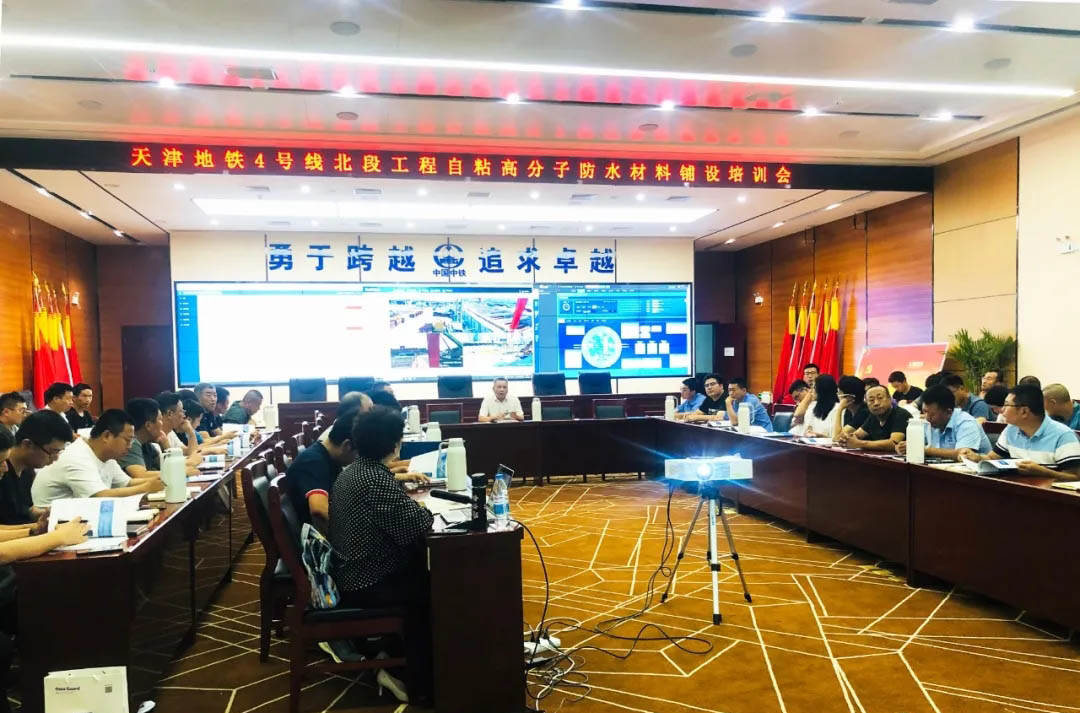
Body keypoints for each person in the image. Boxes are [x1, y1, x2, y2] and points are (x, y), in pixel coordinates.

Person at [330, 406, 434, 704]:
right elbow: (417, 525)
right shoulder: (374, 479)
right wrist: (422, 509)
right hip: (367, 582)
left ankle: (405, 661)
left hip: (353, 571)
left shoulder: (356, 471)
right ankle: (422, 683)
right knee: (438, 589)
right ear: (394, 443)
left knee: (427, 574)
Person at [32, 409, 164, 506]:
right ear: (107, 436)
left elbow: (127, 483)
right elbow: (99, 497)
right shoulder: (77, 457)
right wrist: (146, 488)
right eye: (127, 440)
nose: (130, 446)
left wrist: (161, 480)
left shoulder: (107, 455)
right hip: (49, 522)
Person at [960, 384, 1080, 481]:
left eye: (1006, 405)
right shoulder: (1011, 429)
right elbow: (992, 457)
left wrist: (1043, 472)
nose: (1002, 410)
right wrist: (976, 457)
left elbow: (1075, 477)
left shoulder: (1063, 436)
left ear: (1024, 411)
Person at [287, 404, 368, 533]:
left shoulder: (329, 457)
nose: (357, 459)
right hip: (316, 539)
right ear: (347, 446)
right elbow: (319, 510)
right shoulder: (313, 462)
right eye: (358, 454)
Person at [0, 411, 71, 525]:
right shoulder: (2, 471)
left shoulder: (27, 470)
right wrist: (34, 529)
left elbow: (25, 510)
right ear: (27, 444)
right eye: (52, 452)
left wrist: (51, 514)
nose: (55, 458)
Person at [896, 385, 991, 461]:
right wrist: (905, 446)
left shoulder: (966, 423)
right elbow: (918, 445)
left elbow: (963, 455)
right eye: (924, 412)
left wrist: (924, 449)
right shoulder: (928, 422)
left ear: (948, 412)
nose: (927, 418)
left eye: (932, 414)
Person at [836, 384, 911, 452]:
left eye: (880, 398)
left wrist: (859, 443)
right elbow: (856, 435)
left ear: (889, 399)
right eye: (871, 400)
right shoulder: (873, 416)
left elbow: (893, 443)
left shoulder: (901, 414)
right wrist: (846, 439)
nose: (876, 403)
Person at [118, 398, 163, 478]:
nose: (162, 424)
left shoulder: (147, 445)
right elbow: (141, 475)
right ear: (148, 425)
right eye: (160, 419)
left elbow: (165, 465)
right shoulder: (130, 444)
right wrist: (179, 471)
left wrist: (165, 443)